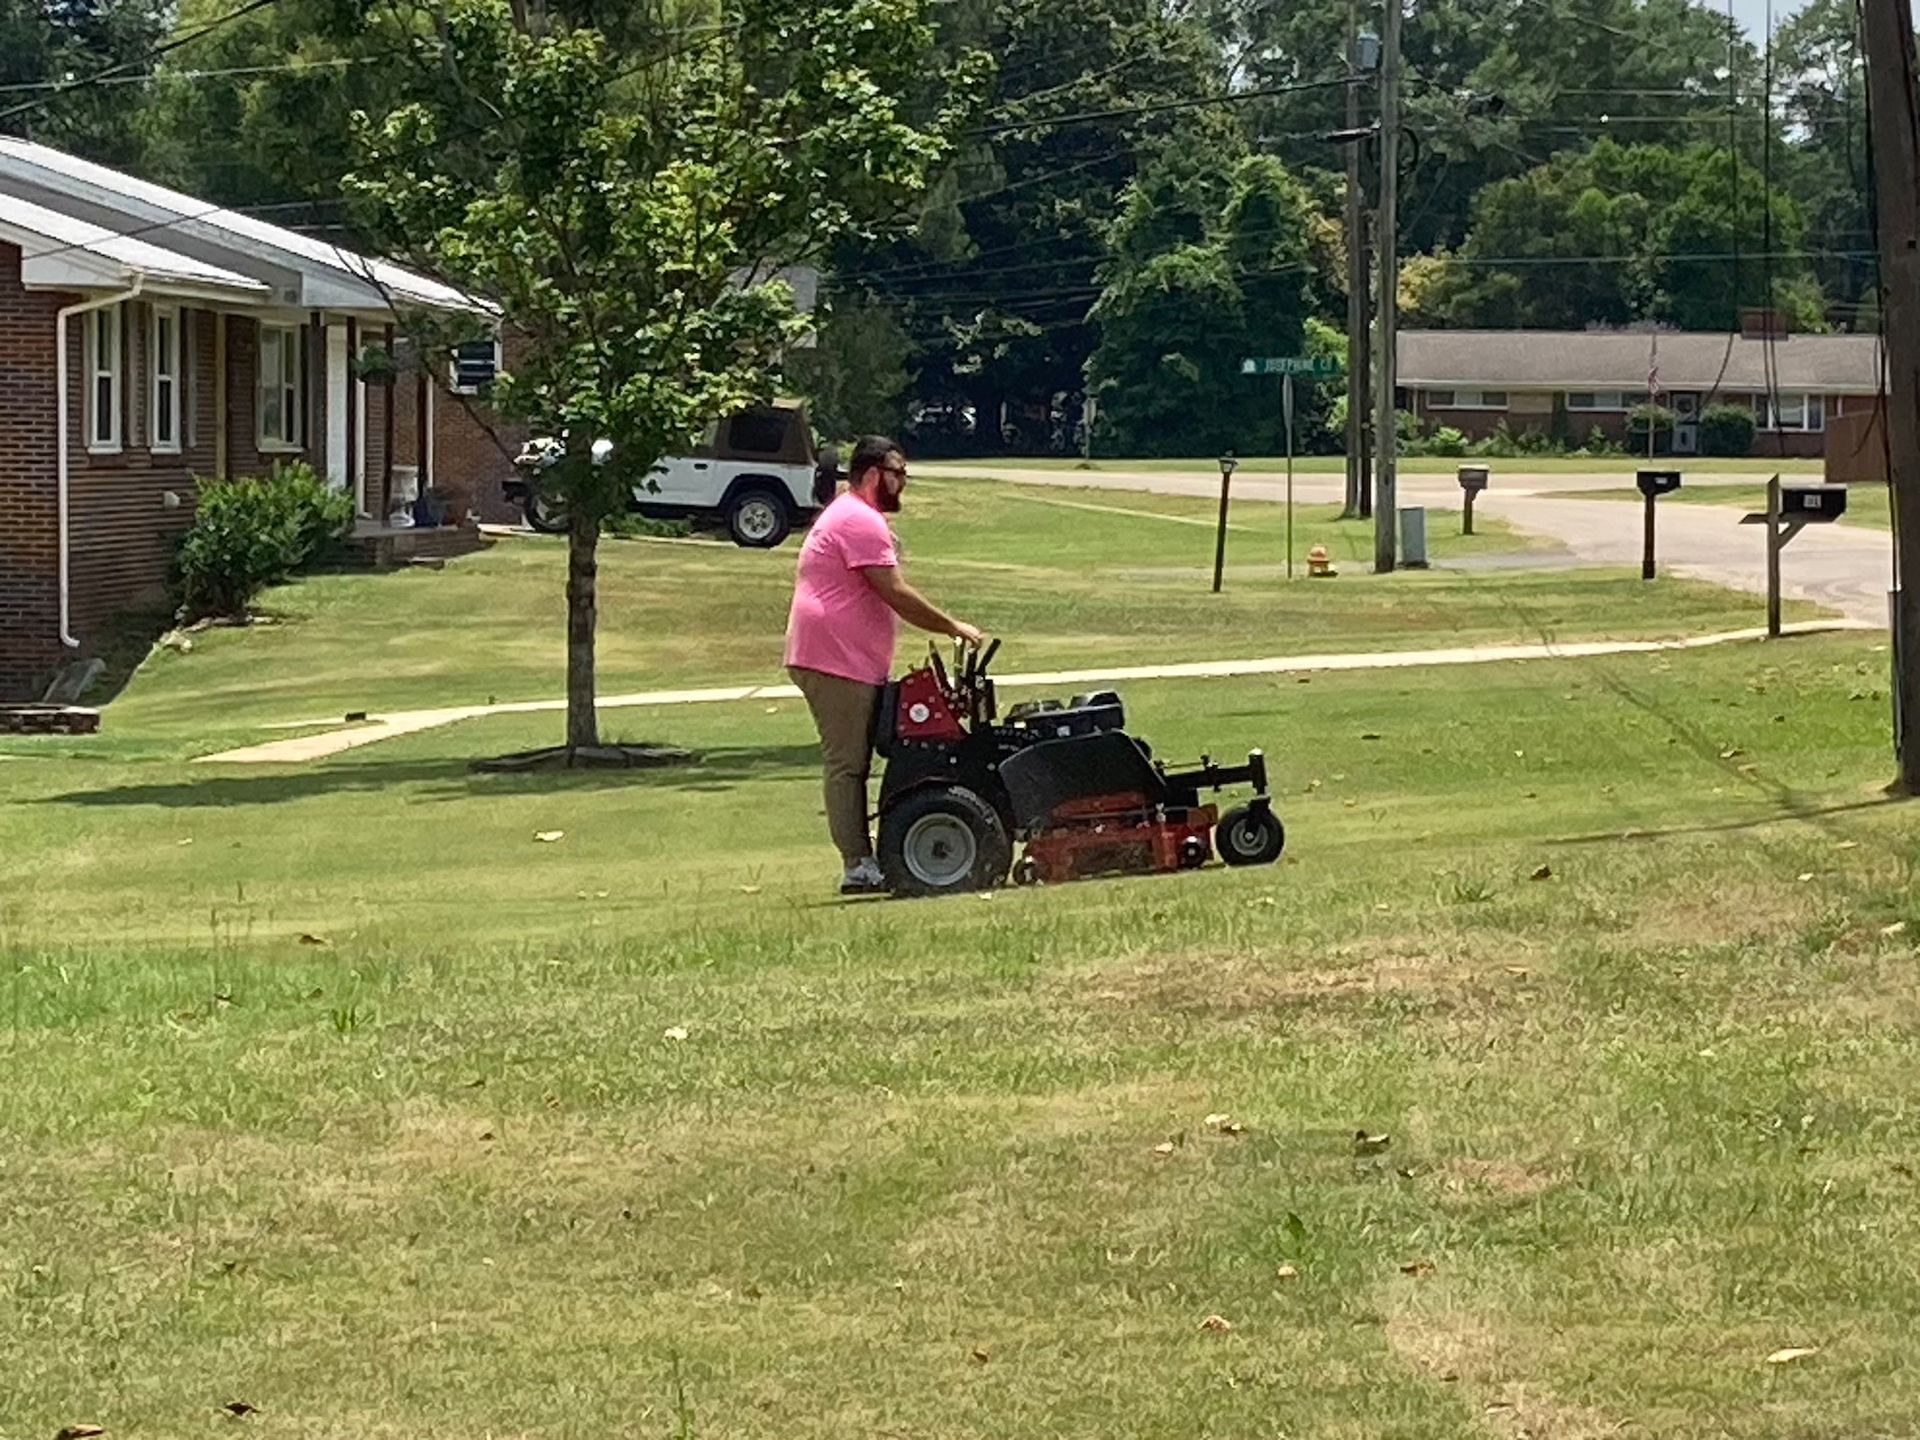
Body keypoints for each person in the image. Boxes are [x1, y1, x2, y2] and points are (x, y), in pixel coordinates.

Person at [786, 436, 983, 894]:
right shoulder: (858, 518)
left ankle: (869, 855)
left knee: (854, 762)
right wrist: (952, 626)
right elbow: (893, 591)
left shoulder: (853, 515)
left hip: (844, 657)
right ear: (874, 474)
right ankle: (857, 866)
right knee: (846, 764)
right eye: (898, 474)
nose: (903, 484)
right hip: (834, 660)